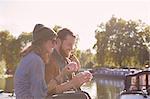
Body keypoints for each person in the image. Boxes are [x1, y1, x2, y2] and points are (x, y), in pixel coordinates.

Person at [14, 24, 75, 99]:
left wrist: (62, 75)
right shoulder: (36, 60)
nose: (54, 45)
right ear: (43, 41)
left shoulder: (30, 57)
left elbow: (42, 91)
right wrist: (63, 76)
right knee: (81, 96)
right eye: (53, 41)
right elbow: (39, 95)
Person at [45, 28, 93, 98]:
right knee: (82, 96)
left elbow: (71, 86)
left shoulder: (67, 61)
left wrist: (80, 81)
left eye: (73, 45)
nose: (72, 48)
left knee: (84, 94)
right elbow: (48, 90)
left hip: (62, 95)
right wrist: (72, 83)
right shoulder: (48, 59)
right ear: (58, 42)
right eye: (69, 44)